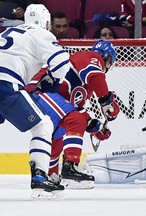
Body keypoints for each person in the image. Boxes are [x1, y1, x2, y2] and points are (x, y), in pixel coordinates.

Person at [0, 4, 71, 199]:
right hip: (5, 84)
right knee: (43, 125)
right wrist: (53, 80)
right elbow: (62, 62)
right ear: (46, 22)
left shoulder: (9, 30)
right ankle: (39, 177)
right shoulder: (42, 34)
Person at [26, 40, 120, 188]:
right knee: (75, 120)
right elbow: (96, 77)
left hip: (51, 100)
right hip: (41, 91)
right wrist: (106, 101)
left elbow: (76, 108)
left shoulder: (85, 87)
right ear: (107, 58)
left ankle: (48, 178)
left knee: (56, 137)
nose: (106, 66)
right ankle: (70, 166)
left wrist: (95, 126)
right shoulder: (90, 57)